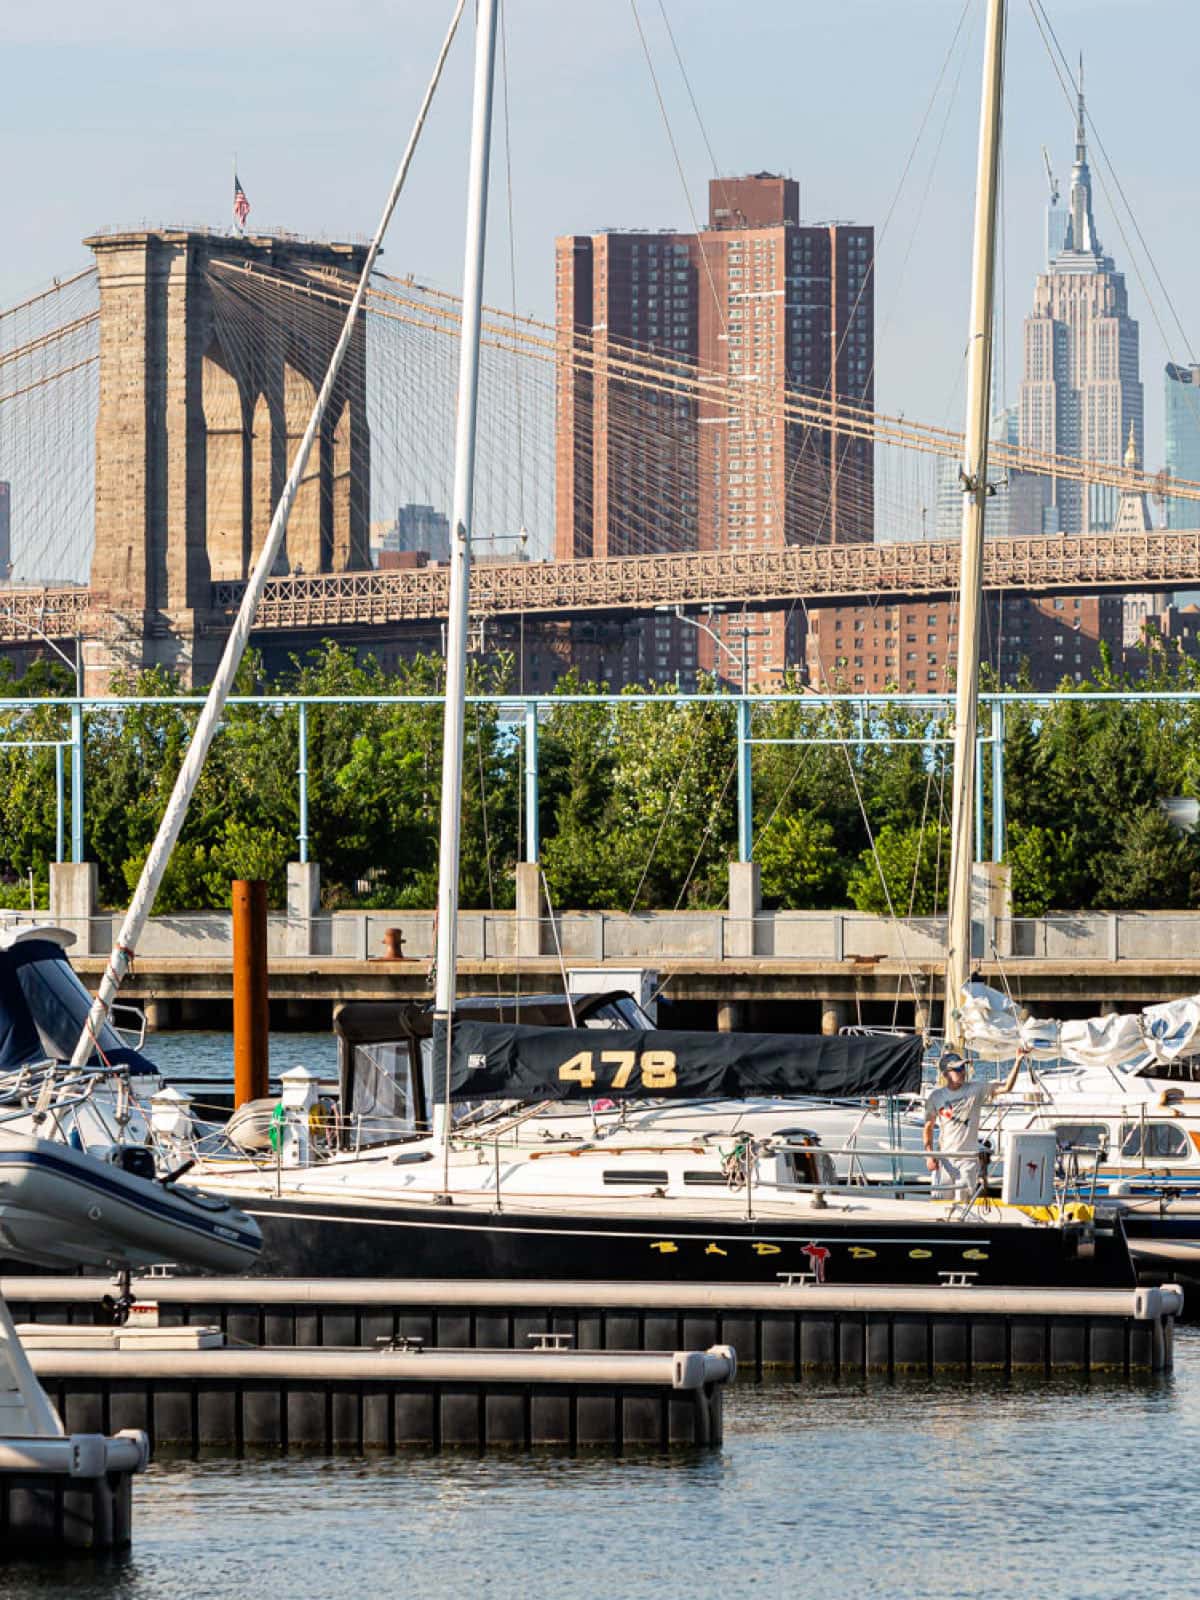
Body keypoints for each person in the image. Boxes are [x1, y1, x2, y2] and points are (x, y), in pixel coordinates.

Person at [923, 1050, 1022, 1201]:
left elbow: (1006, 1087)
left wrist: (1018, 1061)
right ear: (946, 1074)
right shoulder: (936, 1096)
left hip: (968, 1159)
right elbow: (928, 1127)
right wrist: (929, 1156)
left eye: (963, 1068)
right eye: (957, 1069)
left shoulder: (976, 1089)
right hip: (944, 1158)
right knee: (940, 1202)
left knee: (963, 1202)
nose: (962, 1072)